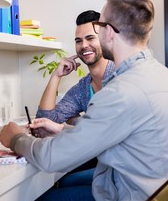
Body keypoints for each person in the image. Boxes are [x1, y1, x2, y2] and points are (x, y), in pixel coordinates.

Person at [0, 0, 168, 201]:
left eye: (97, 30)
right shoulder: (160, 74)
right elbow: (117, 126)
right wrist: (63, 127)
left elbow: (52, 158)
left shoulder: (120, 90)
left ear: (109, 32)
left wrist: (16, 138)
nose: (89, 41)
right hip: (146, 191)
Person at [35, 10, 115, 187]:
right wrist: (56, 76)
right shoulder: (83, 88)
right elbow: (45, 120)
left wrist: (75, 122)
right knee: (60, 183)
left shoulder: (120, 74)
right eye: (78, 41)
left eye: (90, 38)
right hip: (102, 164)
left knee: (54, 192)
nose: (83, 45)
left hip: (122, 172)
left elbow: (106, 129)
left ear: (103, 38)